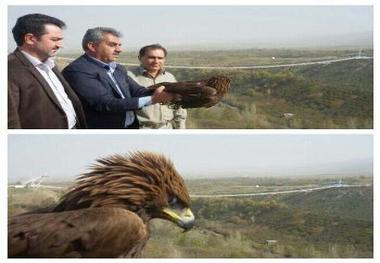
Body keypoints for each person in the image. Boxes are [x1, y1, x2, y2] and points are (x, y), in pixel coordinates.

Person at [62, 27, 173, 129]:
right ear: (92, 46)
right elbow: (105, 103)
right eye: (112, 45)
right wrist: (154, 99)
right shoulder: (78, 71)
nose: (119, 49)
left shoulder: (118, 68)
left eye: (119, 45)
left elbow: (138, 91)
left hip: (131, 127)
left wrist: (173, 90)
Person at [8, 13, 86, 129]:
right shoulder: (10, 69)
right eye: (55, 40)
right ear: (30, 39)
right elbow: (10, 122)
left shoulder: (50, 64)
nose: (60, 45)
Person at [128, 44, 187, 129]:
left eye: (160, 58)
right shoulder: (129, 77)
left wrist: (180, 128)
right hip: (140, 129)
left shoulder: (169, 77)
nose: (156, 61)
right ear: (140, 58)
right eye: (151, 57)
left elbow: (178, 104)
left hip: (167, 128)